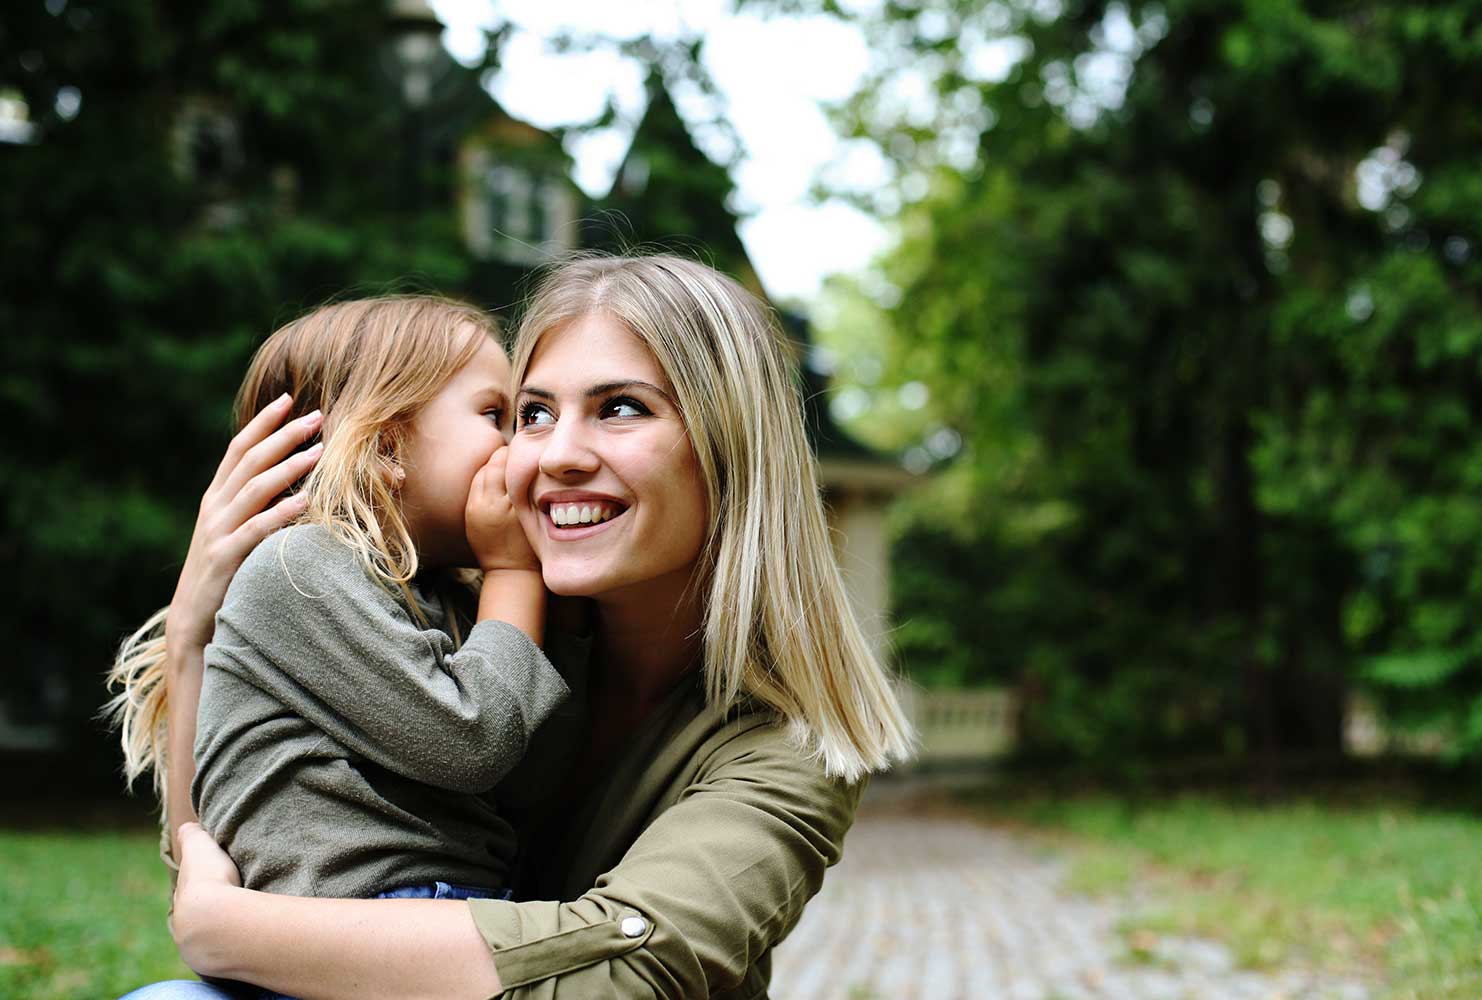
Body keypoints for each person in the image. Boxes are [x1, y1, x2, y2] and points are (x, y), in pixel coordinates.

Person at [118, 255, 916, 1000]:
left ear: (730, 449)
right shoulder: (466, 612)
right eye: (530, 414)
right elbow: (227, 847)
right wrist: (193, 634)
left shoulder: (791, 743)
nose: (553, 453)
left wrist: (237, 931)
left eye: (621, 408)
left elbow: (635, 969)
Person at [106, 295, 583, 912]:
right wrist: (514, 570)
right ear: (386, 448)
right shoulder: (300, 568)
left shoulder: (453, 598)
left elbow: (534, 779)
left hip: (453, 911)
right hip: (379, 913)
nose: (522, 448)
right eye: (497, 416)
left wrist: (555, 614)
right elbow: (474, 741)